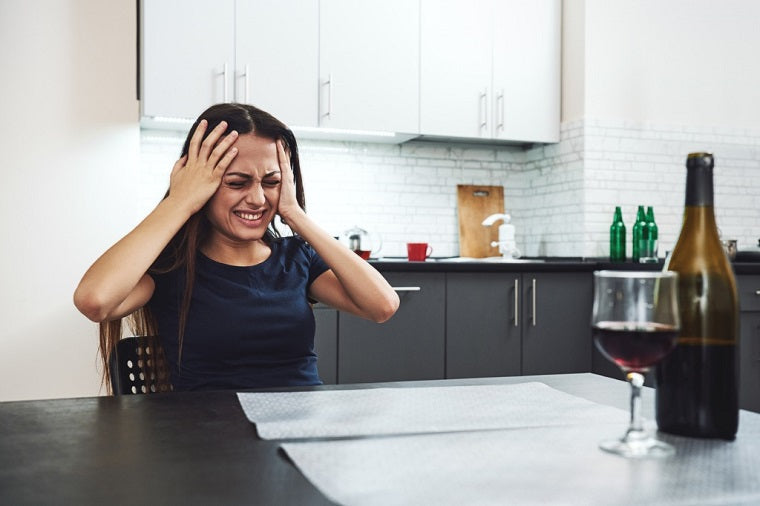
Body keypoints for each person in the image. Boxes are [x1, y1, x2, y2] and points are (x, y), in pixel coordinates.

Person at [74, 103, 400, 393]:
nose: (258, 199)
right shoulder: (171, 268)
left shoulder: (296, 258)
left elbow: (382, 306)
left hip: (300, 431)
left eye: (271, 183)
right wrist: (179, 202)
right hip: (210, 442)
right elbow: (94, 301)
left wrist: (295, 215)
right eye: (236, 183)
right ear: (202, 185)